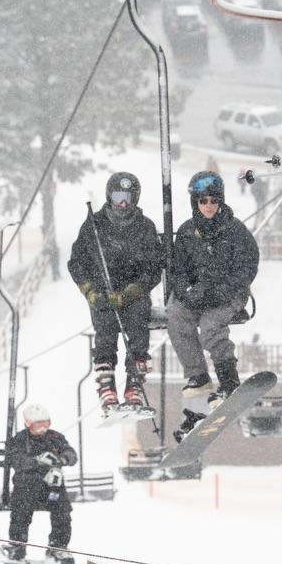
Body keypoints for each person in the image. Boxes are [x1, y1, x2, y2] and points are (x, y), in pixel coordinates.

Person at [167, 171, 259, 431]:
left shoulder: (234, 231)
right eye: (203, 201)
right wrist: (187, 291)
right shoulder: (187, 232)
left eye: (213, 201)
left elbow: (247, 266)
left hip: (227, 293)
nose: (209, 206)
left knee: (210, 327)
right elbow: (179, 269)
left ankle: (229, 380)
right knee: (176, 315)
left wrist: (223, 291)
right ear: (195, 202)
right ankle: (197, 375)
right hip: (197, 292)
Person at [66, 172, 164, 413]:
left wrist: (135, 289)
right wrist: (89, 290)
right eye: (119, 197)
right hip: (103, 290)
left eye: (128, 198)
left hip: (133, 293)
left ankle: (134, 384)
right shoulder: (94, 225)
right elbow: (77, 262)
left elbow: (154, 266)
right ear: (110, 196)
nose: (123, 204)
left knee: (138, 329)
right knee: (105, 329)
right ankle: (106, 385)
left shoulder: (145, 226)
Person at [2, 403, 77, 564]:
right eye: (38, 425)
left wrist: (62, 459)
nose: (43, 429)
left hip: (50, 487)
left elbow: (71, 454)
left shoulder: (55, 438)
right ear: (28, 424)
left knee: (62, 510)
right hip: (27, 487)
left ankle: (58, 547)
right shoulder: (20, 440)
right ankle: (17, 545)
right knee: (21, 509)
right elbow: (16, 460)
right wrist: (37, 461)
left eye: (46, 424)